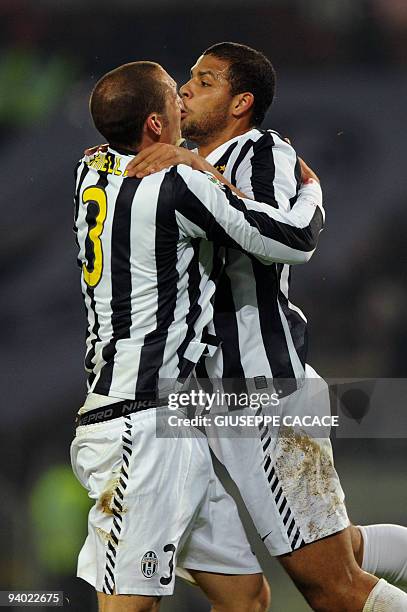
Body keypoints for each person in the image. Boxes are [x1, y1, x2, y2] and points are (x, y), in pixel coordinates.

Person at [125, 43, 407, 611]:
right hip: (201, 402)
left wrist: (310, 194)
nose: (186, 88)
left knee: (331, 589)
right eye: (188, 78)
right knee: (336, 551)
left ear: (241, 102)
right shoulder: (179, 159)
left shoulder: (260, 151)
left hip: (259, 392)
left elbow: (289, 239)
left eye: (204, 81)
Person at [72, 60, 326, 612]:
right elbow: (292, 239)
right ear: (156, 127)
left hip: (171, 421)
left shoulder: (88, 168)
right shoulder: (177, 185)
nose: (183, 94)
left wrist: (187, 156)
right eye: (173, 92)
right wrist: (312, 191)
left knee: (246, 597)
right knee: (129, 605)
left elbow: (142, 163)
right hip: (137, 427)